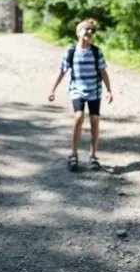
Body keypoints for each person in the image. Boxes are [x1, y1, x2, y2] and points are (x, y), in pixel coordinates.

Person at [48, 19, 113, 171]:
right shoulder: (71, 52)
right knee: (79, 117)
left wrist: (109, 90)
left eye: (92, 31)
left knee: (95, 120)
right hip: (77, 90)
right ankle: (73, 153)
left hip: (94, 91)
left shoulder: (96, 52)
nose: (89, 33)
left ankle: (93, 156)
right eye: (86, 30)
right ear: (78, 32)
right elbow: (62, 71)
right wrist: (52, 89)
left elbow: (103, 72)